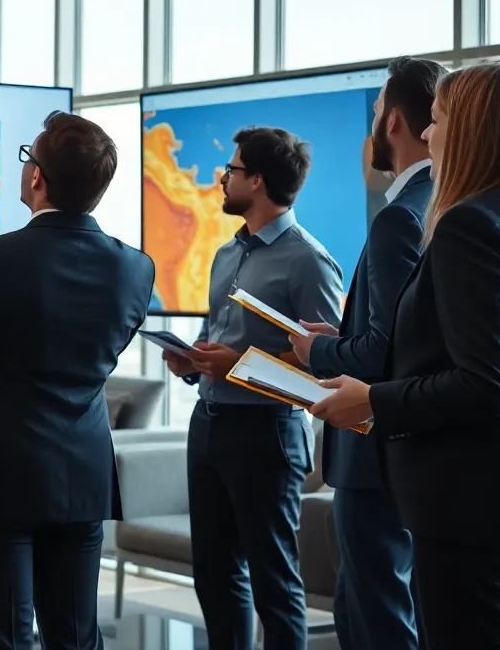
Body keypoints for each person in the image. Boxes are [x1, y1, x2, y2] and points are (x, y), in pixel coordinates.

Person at [309, 63, 500, 649]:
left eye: (440, 119)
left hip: (481, 506)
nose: (428, 136)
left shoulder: (470, 224)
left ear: (474, 129)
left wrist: (371, 400)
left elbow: (483, 384)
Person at [0, 112, 154, 650]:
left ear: (36, 178)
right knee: (75, 637)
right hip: (81, 472)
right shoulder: (136, 269)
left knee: (3, 638)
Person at [163, 127, 343, 650]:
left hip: (266, 434)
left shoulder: (308, 260)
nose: (224, 178)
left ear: (258, 181)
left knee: (274, 582)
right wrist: (193, 359)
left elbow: (328, 366)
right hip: (210, 424)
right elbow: (218, 336)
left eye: (233, 170)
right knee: (214, 576)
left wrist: (236, 364)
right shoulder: (225, 254)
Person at [288, 56, 443, 650]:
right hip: (415, 451)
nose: (373, 124)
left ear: (396, 123)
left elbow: (385, 351)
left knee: (377, 619)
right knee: (368, 608)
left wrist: (320, 349)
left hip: (376, 453)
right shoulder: (444, 207)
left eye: (376, 112)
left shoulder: (401, 218)